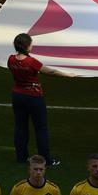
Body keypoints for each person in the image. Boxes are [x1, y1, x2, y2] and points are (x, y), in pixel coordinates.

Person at [8, 33, 76, 166]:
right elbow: (50, 72)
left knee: (20, 127)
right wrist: (68, 75)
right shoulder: (31, 62)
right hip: (33, 97)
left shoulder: (11, 59)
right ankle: (46, 159)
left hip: (17, 95)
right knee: (41, 128)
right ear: (27, 46)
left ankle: (21, 157)